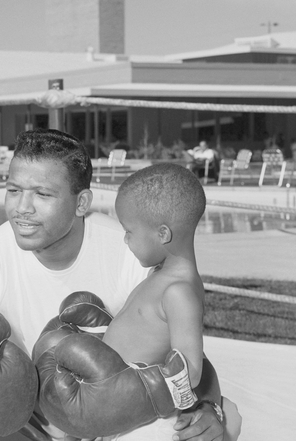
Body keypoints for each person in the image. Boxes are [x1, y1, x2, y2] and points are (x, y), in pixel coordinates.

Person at [0, 128, 237, 441]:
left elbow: (184, 352)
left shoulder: (129, 250)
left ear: (81, 202)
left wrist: (209, 408)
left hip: (111, 421)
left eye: (42, 194)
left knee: (227, 422)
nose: (22, 207)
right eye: (14, 190)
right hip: (21, 427)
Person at [101, 163, 209, 440]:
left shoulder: (178, 292)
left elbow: (191, 372)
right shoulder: (158, 275)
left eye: (129, 231)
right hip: (118, 411)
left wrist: (135, 389)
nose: (125, 239)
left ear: (163, 234)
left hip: (145, 424)